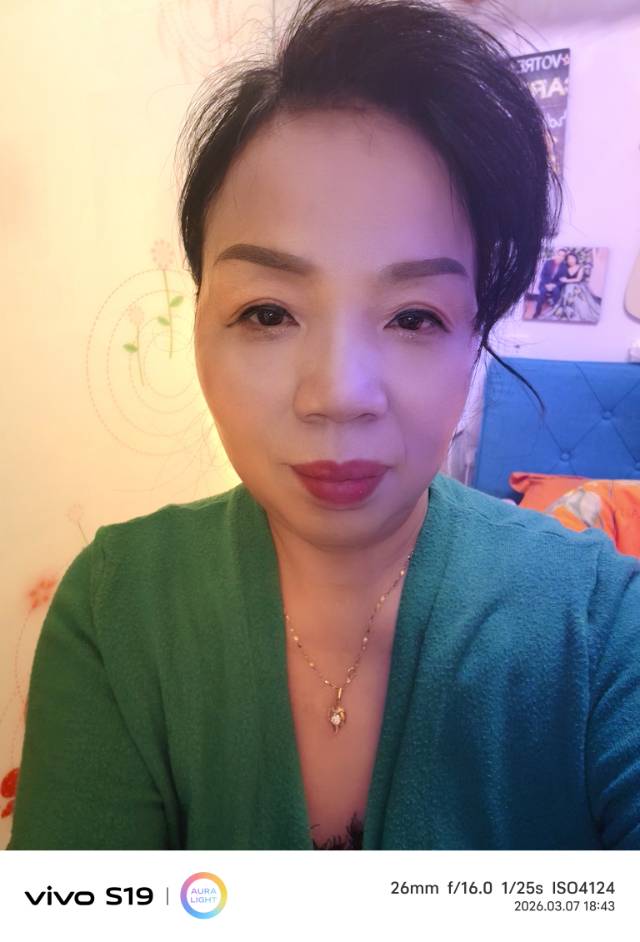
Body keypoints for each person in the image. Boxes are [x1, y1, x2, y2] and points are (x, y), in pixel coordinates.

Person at [7, 0, 639, 851]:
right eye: (268, 312)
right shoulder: (117, 607)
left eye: (414, 317)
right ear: (199, 325)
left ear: (473, 342)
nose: (339, 395)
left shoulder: (600, 627)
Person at [547, 251, 601, 323]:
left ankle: (578, 311)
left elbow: (578, 279)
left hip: (578, 285)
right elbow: (560, 277)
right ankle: (568, 310)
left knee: (573, 290)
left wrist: (566, 280)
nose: (571, 260)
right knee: (568, 289)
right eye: (569, 259)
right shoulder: (565, 268)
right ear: (567, 260)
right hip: (567, 286)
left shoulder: (580, 267)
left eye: (572, 258)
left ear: (576, 259)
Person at [531, 247, 567, 318]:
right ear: (556, 254)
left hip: (555, 285)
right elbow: (542, 275)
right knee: (542, 292)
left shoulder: (564, 267)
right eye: (559, 255)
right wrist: (547, 284)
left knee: (557, 292)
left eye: (563, 256)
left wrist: (554, 285)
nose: (560, 257)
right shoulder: (548, 263)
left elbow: (562, 280)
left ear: (564, 258)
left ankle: (555, 311)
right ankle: (537, 311)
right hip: (545, 283)